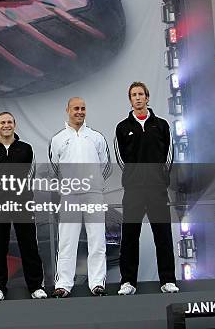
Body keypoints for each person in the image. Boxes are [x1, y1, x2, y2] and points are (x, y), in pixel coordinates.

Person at [115, 82, 179, 295]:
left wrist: (160, 179)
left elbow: (169, 156)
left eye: (141, 94)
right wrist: (134, 178)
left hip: (157, 190)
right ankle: (128, 282)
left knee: (162, 234)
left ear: (147, 98)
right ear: (130, 100)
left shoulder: (161, 125)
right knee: (130, 236)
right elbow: (121, 159)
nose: (138, 98)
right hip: (133, 190)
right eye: (134, 95)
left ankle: (168, 280)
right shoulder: (122, 128)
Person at [0, 112, 47, 301]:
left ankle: (36, 286)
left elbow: (30, 175)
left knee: (29, 245)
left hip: (22, 204)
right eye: (2, 122)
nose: (6, 125)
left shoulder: (26, 149)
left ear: (14, 125)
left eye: (9, 122)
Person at [49, 98, 110, 298]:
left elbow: (105, 166)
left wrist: (93, 183)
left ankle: (97, 283)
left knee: (97, 240)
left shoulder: (96, 137)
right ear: (67, 110)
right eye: (76, 108)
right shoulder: (58, 139)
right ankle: (64, 284)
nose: (80, 112)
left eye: (83, 108)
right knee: (67, 240)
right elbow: (55, 168)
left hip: (94, 194)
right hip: (69, 196)